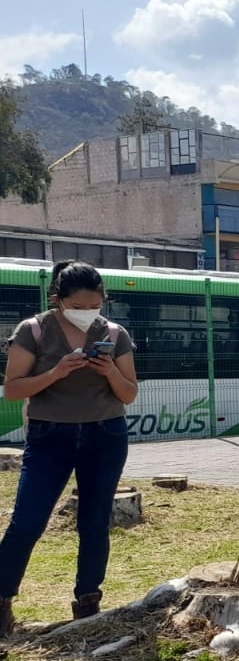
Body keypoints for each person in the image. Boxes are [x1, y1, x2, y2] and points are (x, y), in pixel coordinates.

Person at [0, 261, 139, 637]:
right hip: (50, 437)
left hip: (105, 435)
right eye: (77, 307)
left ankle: (88, 604)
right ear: (58, 299)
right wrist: (57, 372)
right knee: (27, 522)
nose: (86, 314)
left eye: (94, 305)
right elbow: (13, 389)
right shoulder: (33, 331)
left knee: (94, 524)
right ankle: (2, 604)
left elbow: (128, 393)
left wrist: (109, 370)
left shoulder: (114, 333)